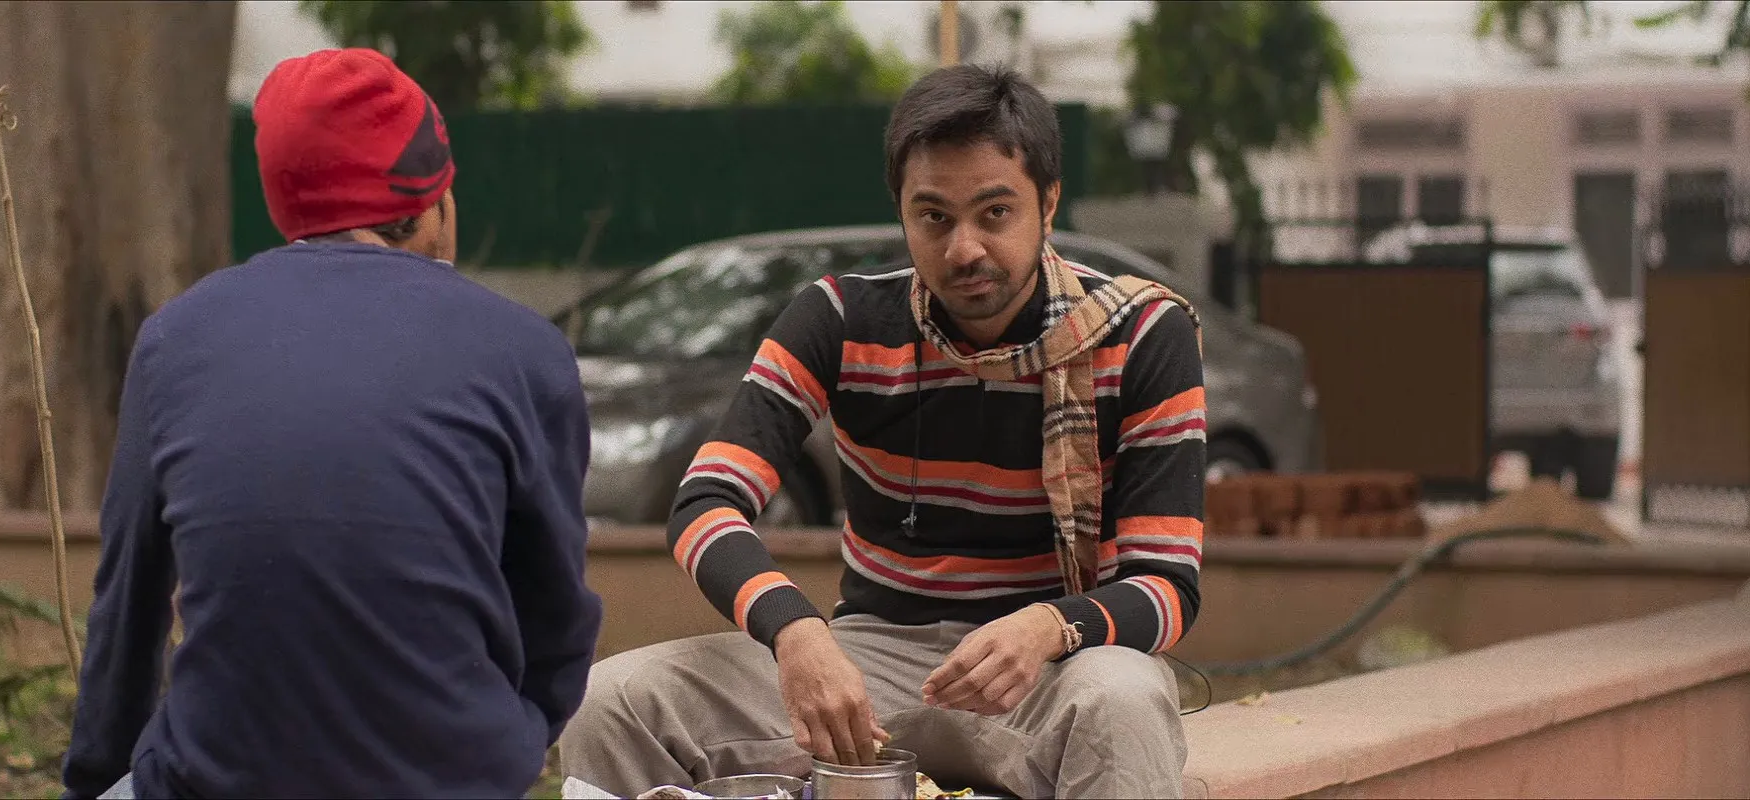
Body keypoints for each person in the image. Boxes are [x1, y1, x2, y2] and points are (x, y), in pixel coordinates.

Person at [557, 64, 1206, 800]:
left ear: (1048, 203)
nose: (964, 249)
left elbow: (1167, 586)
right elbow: (705, 503)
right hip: (871, 661)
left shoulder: (1142, 333)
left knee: (1123, 698)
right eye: (934, 217)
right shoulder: (838, 319)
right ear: (901, 211)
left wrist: (1046, 628)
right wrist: (796, 633)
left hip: (1052, 672)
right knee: (614, 703)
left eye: (995, 212)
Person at [60, 48, 603, 799]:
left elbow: (128, 609)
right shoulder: (524, 351)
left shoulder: (174, 341)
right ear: (436, 204)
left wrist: (95, 780)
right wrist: (505, 740)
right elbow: (556, 613)